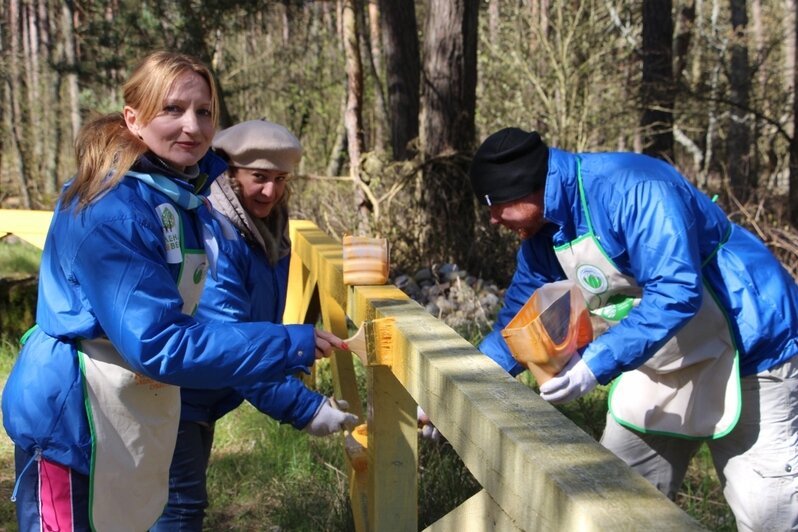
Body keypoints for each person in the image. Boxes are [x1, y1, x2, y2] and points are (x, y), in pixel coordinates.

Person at [1, 52, 346, 532]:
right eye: (172, 109)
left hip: (126, 410)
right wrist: (290, 343)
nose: (192, 126)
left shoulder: (176, 194)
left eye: (203, 112)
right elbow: (159, 342)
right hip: (69, 423)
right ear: (133, 118)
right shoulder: (113, 209)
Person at [469, 127, 798, 531]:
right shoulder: (543, 229)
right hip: (662, 357)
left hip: (753, 349)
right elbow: (518, 318)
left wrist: (594, 365)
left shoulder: (634, 189)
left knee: (769, 513)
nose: (492, 218)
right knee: (610, 502)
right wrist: (469, 380)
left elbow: (676, 290)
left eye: (496, 205)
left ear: (527, 188)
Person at [151, 119, 358, 531]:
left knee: (178, 503)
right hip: (175, 391)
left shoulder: (268, 232)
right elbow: (231, 340)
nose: (271, 191)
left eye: (281, 179)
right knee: (179, 506)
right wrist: (303, 407)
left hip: (200, 392)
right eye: (259, 178)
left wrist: (292, 369)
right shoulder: (217, 234)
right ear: (229, 174)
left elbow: (257, 327)